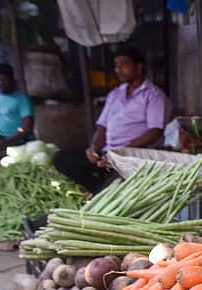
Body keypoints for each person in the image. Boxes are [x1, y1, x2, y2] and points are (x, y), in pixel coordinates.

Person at [55, 46, 170, 192]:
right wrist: (94, 148)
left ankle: (103, 190)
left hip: (132, 156)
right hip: (106, 152)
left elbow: (155, 131)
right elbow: (102, 127)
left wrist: (122, 152)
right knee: (62, 158)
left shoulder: (154, 95)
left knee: (115, 185)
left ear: (139, 67)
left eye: (124, 65)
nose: (118, 70)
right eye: (116, 66)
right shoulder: (115, 94)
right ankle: (97, 189)